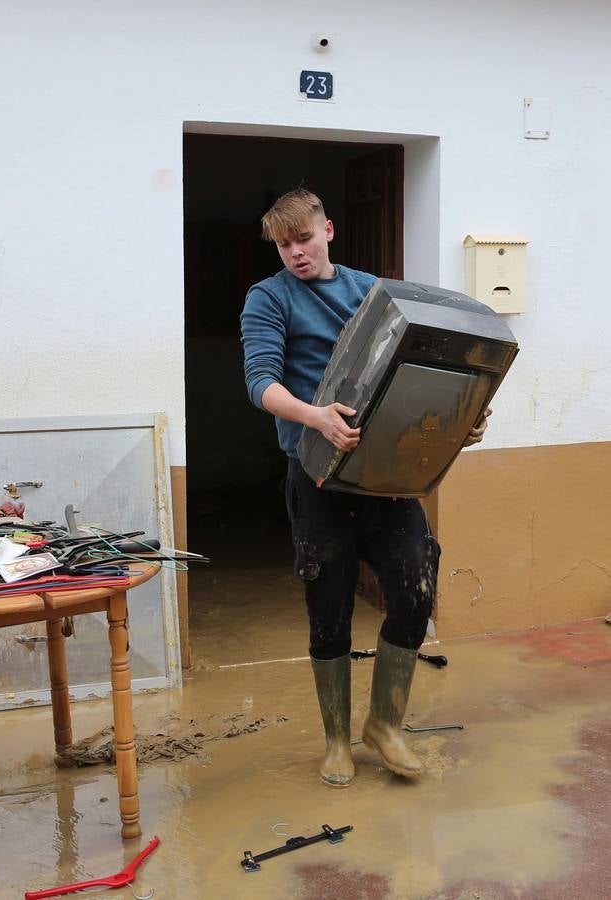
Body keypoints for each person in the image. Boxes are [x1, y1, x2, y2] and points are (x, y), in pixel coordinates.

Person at [240, 189, 490, 788]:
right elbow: (259, 382)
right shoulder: (268, 298)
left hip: (386, 476)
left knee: (415, 584)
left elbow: (423, 371)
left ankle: (385, 725)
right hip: (318, 474)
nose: (295, 253)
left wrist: (460, 419)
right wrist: (315, 415)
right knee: (329, 606)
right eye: (283, 245)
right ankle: (335, 740)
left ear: (329, 230)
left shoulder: (375, 293)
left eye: (304, 239)